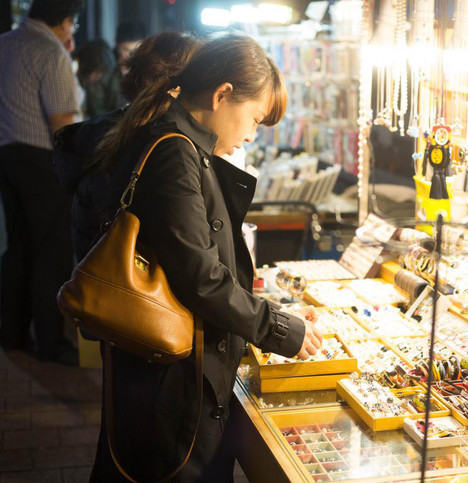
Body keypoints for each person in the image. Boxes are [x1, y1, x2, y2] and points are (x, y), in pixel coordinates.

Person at [89, 35, 324, 481]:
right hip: (170, 376)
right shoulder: (176, 152)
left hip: (164, 366)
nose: (251, 135)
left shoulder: (179, 142)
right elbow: (200, 277)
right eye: (254, 118)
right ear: (222, 95)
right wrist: (277, 326)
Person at [54, 31, 201, 262]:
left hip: (96, 278)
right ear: (176, 87)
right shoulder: (153, 142)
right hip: (122, 288)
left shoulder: (116, 128)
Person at [0, 0, 84, 365]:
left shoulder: (4, 43)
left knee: (18, 245)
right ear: (66, 20)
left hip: (6, 157)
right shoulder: (50, 53)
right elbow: (63, 126)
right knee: (52, 252)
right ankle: (52, 344)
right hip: (41, 160)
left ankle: (12, 334)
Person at [73, 39, 125, 117]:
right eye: (95, 72)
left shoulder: (112, 80)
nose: (97, 76)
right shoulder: (78, 78)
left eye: (101, 72)